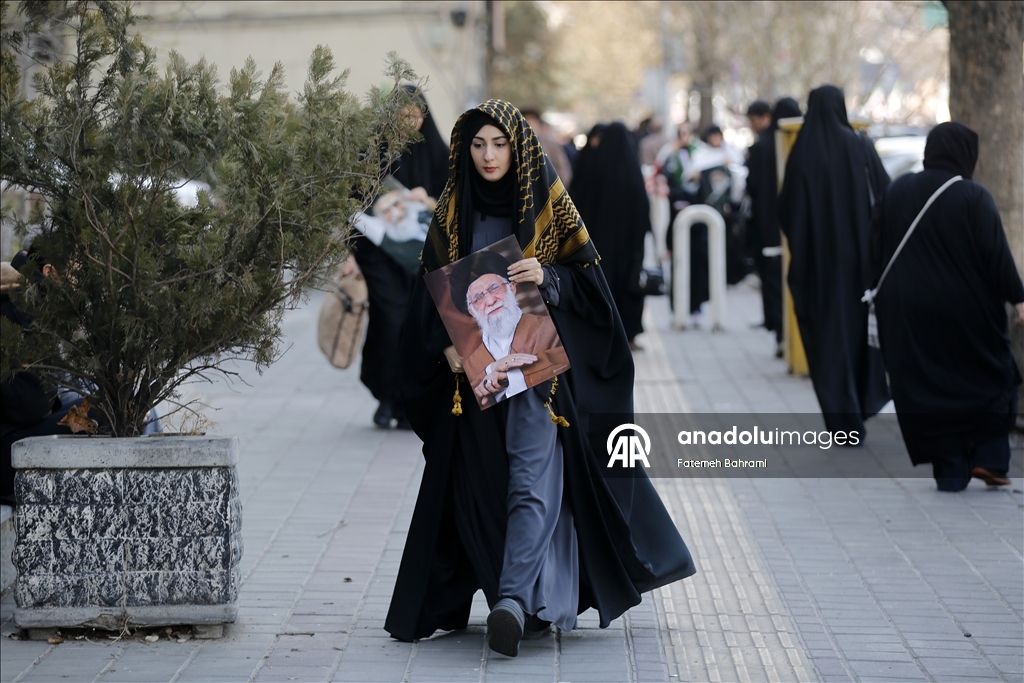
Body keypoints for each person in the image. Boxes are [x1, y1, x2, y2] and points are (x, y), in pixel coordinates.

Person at [385, 100, 695, 657]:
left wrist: (548, 276)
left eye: (499, 144)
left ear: (518, 147)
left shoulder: (549, 205)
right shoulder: (451, 215)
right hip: (474, 390)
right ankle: (521, 599)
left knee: (533, 482)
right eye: (478, 145)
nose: (488, 156)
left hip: (538, 382)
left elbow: (592, 291)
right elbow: (425, 303)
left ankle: (511, 600)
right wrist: (447, 352)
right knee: (484, 491)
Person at [873, 121, 1024, 491]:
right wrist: (1018, 298)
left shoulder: (896, 190)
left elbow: (875, 246)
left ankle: (950, 469)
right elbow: (996, 256)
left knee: (928, 384)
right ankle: (989, 458)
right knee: (991, 375)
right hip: (967, 311)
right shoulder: (972, 195)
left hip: (907, 312)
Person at [778, 84, 891, 436]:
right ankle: (862, 401)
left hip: (817, 269)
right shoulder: (860, 146)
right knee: (858, 334)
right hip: (861, 265)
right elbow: (886, 198)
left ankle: (841, 416)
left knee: (827, 336)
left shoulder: (802, 152)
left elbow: (787, 211)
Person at [351, 85, 449, 428]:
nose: (408, 122)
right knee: (390, 323)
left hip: (424, 259)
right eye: (401, 116)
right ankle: (387, 396)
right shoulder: (371, 154)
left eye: (414, 115)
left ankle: (414, 404)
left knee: (421, 327)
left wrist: (428, 201)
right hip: (379, 257)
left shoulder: (439, 154)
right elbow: (354, 203)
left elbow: (455, 202)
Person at [447, 250, 570, 407]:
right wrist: (492, 368)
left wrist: (506, 377)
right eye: (478, 298)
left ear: (512, 288)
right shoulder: (471, 363)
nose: (490, 301)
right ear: (472, 311)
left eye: (494, 288)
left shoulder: (548, 329)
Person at [569, 121, 651, 348]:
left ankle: (600, 333)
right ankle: (629, 334)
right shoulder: (633, 175)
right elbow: (643, 211)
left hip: (596, 244)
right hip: (628, 247)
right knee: (627, 285)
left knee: (601, 285)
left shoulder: (594, 171)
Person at [745, 97, 802, 353]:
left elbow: (752, 188)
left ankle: (781, 333)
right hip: (799, 228)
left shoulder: (762, 147)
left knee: (774, 279)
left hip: (768, 228)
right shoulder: (804, 143)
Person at [521, 108, 573, 188]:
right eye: (526, 120)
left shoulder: (550, 143)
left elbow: (563, 168)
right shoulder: (513, 144)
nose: (529, 124)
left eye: (532, 121)